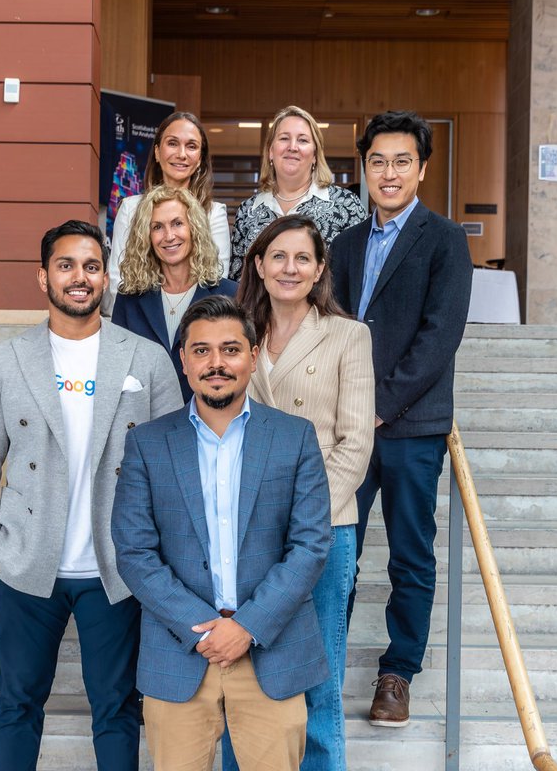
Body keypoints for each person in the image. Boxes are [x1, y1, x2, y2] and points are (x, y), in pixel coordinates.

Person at [0, 220, 183, 771]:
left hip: (116, 568)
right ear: (43, 277)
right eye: (65, 266)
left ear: (105, 277)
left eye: (90, 266)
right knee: (17, 702)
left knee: (116, 708)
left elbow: (176, 465)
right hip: (25, 563)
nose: (78, 278)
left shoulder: (146, 358)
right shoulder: (6, 361)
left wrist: (154, 552)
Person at [111, 295, 331, 771]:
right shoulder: (147, 444)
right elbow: (134, 552)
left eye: (230, 349)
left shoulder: (295, 437)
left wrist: (247, 626)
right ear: (184, 362)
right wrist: (203, 628)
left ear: (253, 357)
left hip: (271, 653)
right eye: (202, 350)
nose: (217, 363)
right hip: (180, 654)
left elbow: (311, 545)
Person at [328, 111, 473, 728]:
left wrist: (379, 403)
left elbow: (440, 338)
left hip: (410, 427)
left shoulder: (445, 241)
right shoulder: (343, 245)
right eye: (378, 161)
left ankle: (398, 673)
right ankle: (325, 664)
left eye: (402, 161)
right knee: (336, 549)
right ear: (364, 168)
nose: (389, 173)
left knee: (411, 555)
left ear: (422, 168)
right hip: (343, 431)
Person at [228, 214, 374, 770]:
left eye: (303, 259)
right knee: (240, 680)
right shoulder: (234, 331)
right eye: (278, 256)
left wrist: (302, 516)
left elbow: (355, 444)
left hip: (323, 532)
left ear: (318, 271)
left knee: (319, 679)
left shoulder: (348, 336)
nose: (290, 268)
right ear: (259, 265)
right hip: (242, 529)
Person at [112, 184, 239, 399]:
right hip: (146, 420)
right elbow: (117, 366)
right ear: (146, 236)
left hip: (209, 417)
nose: (169, 236)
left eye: (177, 223)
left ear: (194, 229)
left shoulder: (229, 294)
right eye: (157, 227)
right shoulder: (129, 298)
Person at [228, 105, 367, 281]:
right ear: (271, 151)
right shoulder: (248, 210)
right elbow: (236, 280)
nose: (292, 147)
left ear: (315, 154)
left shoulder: (346, 205)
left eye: (302, 140)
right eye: (284, 138)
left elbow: (359, 277)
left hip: (324, 309)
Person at [109, 112, 231, 306]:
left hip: (198, 324)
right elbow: (118, 282)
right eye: (173, 143)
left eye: (191, 146)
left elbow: (216, 280)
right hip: (139, 325)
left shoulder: (213, 213)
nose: (181, 154)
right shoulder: (131, 209)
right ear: (157, 152)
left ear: (199, 159)